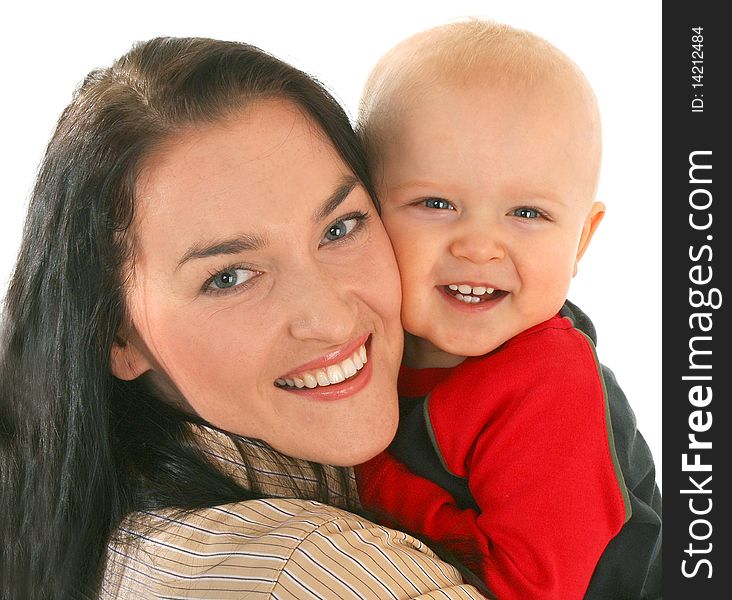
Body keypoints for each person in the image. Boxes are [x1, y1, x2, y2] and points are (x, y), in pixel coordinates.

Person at [0, 37, 490, 599]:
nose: (329, 318)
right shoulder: (321, 573)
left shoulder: (101, 532)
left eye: (340, 227)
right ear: (117, 337)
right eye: (229, 276)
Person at [355, 19, 662, 600]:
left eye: (527, 214)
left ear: (581, 242)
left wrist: (367, 482)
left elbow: (533, 589)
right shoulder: (358, 343)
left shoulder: (547, 380)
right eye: (436, 202)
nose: (479, 246)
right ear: (366, 209)